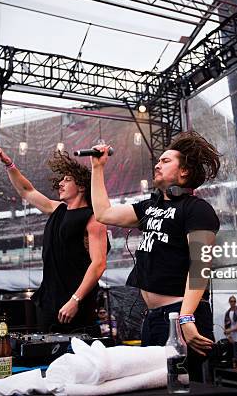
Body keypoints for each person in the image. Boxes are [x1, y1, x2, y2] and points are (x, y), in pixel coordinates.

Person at [89, 131, 221, 382]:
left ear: (184, 172)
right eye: (158, 160)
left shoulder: (197, 209)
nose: (158, 164)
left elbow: (201, 264)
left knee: (184, 386)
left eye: (166, 160)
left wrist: (186, 316)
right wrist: (98, 168)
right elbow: (103, 213)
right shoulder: (150, 207)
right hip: (153, 318)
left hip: (180, 315)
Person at [0, 140, 108, 334]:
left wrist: (75, 300)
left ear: (82, 187)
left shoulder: (93, 218)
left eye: (67, 180)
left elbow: (99, 263)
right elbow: (27, 191)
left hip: (76, 305)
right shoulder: (57, 209)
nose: (60, 183)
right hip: (49, 303)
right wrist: (9, 165)